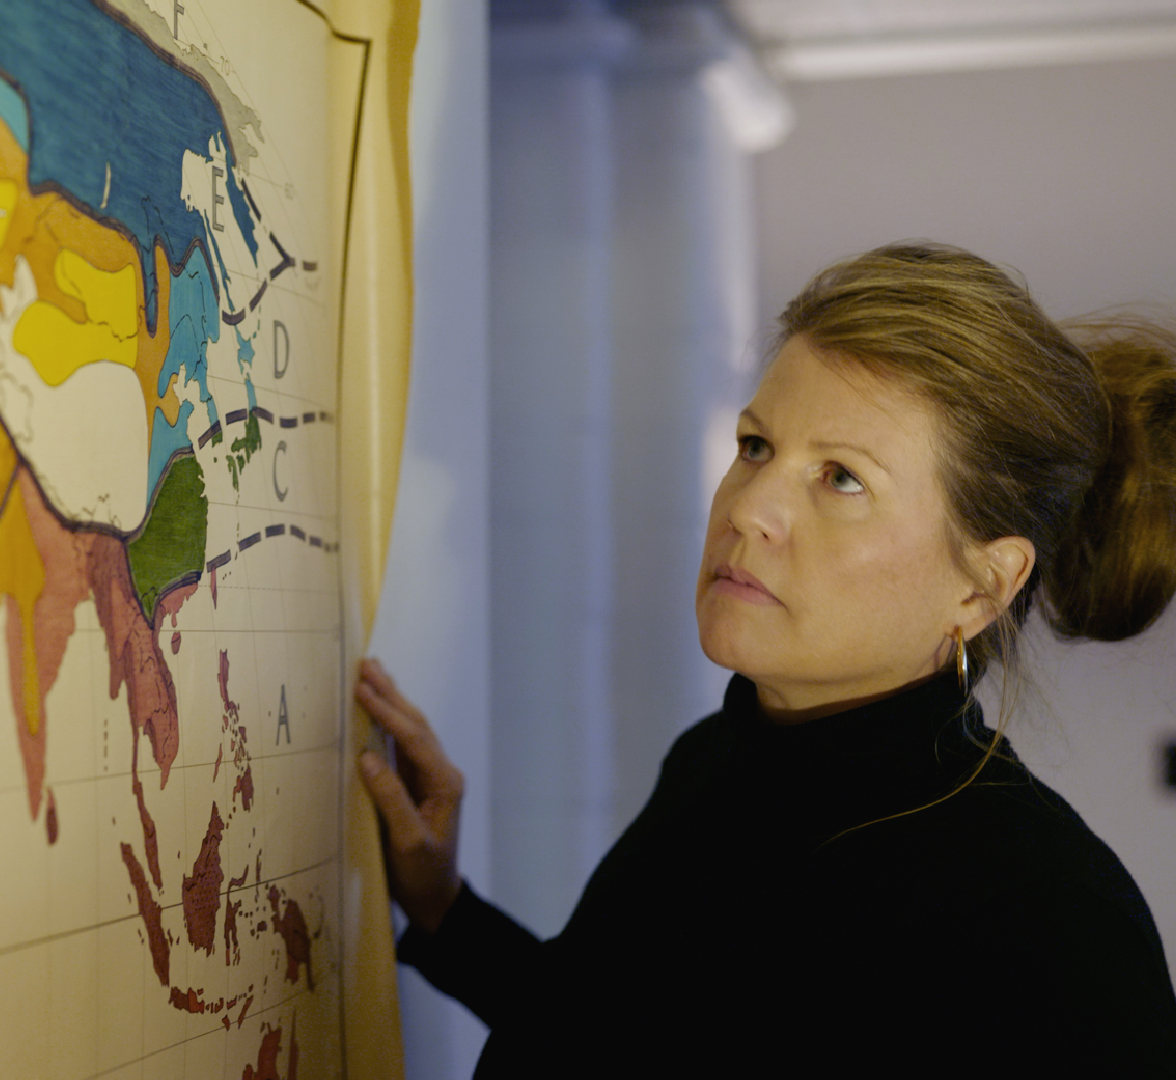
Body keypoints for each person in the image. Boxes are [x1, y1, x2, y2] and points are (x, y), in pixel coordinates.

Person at [358, 242, 1176, 1073]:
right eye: (755, 446)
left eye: (841, 479)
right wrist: (443, 907)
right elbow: (603, 1032)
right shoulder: (713, 764)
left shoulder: (1058, 928)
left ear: (983, 587)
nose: (751, 509)